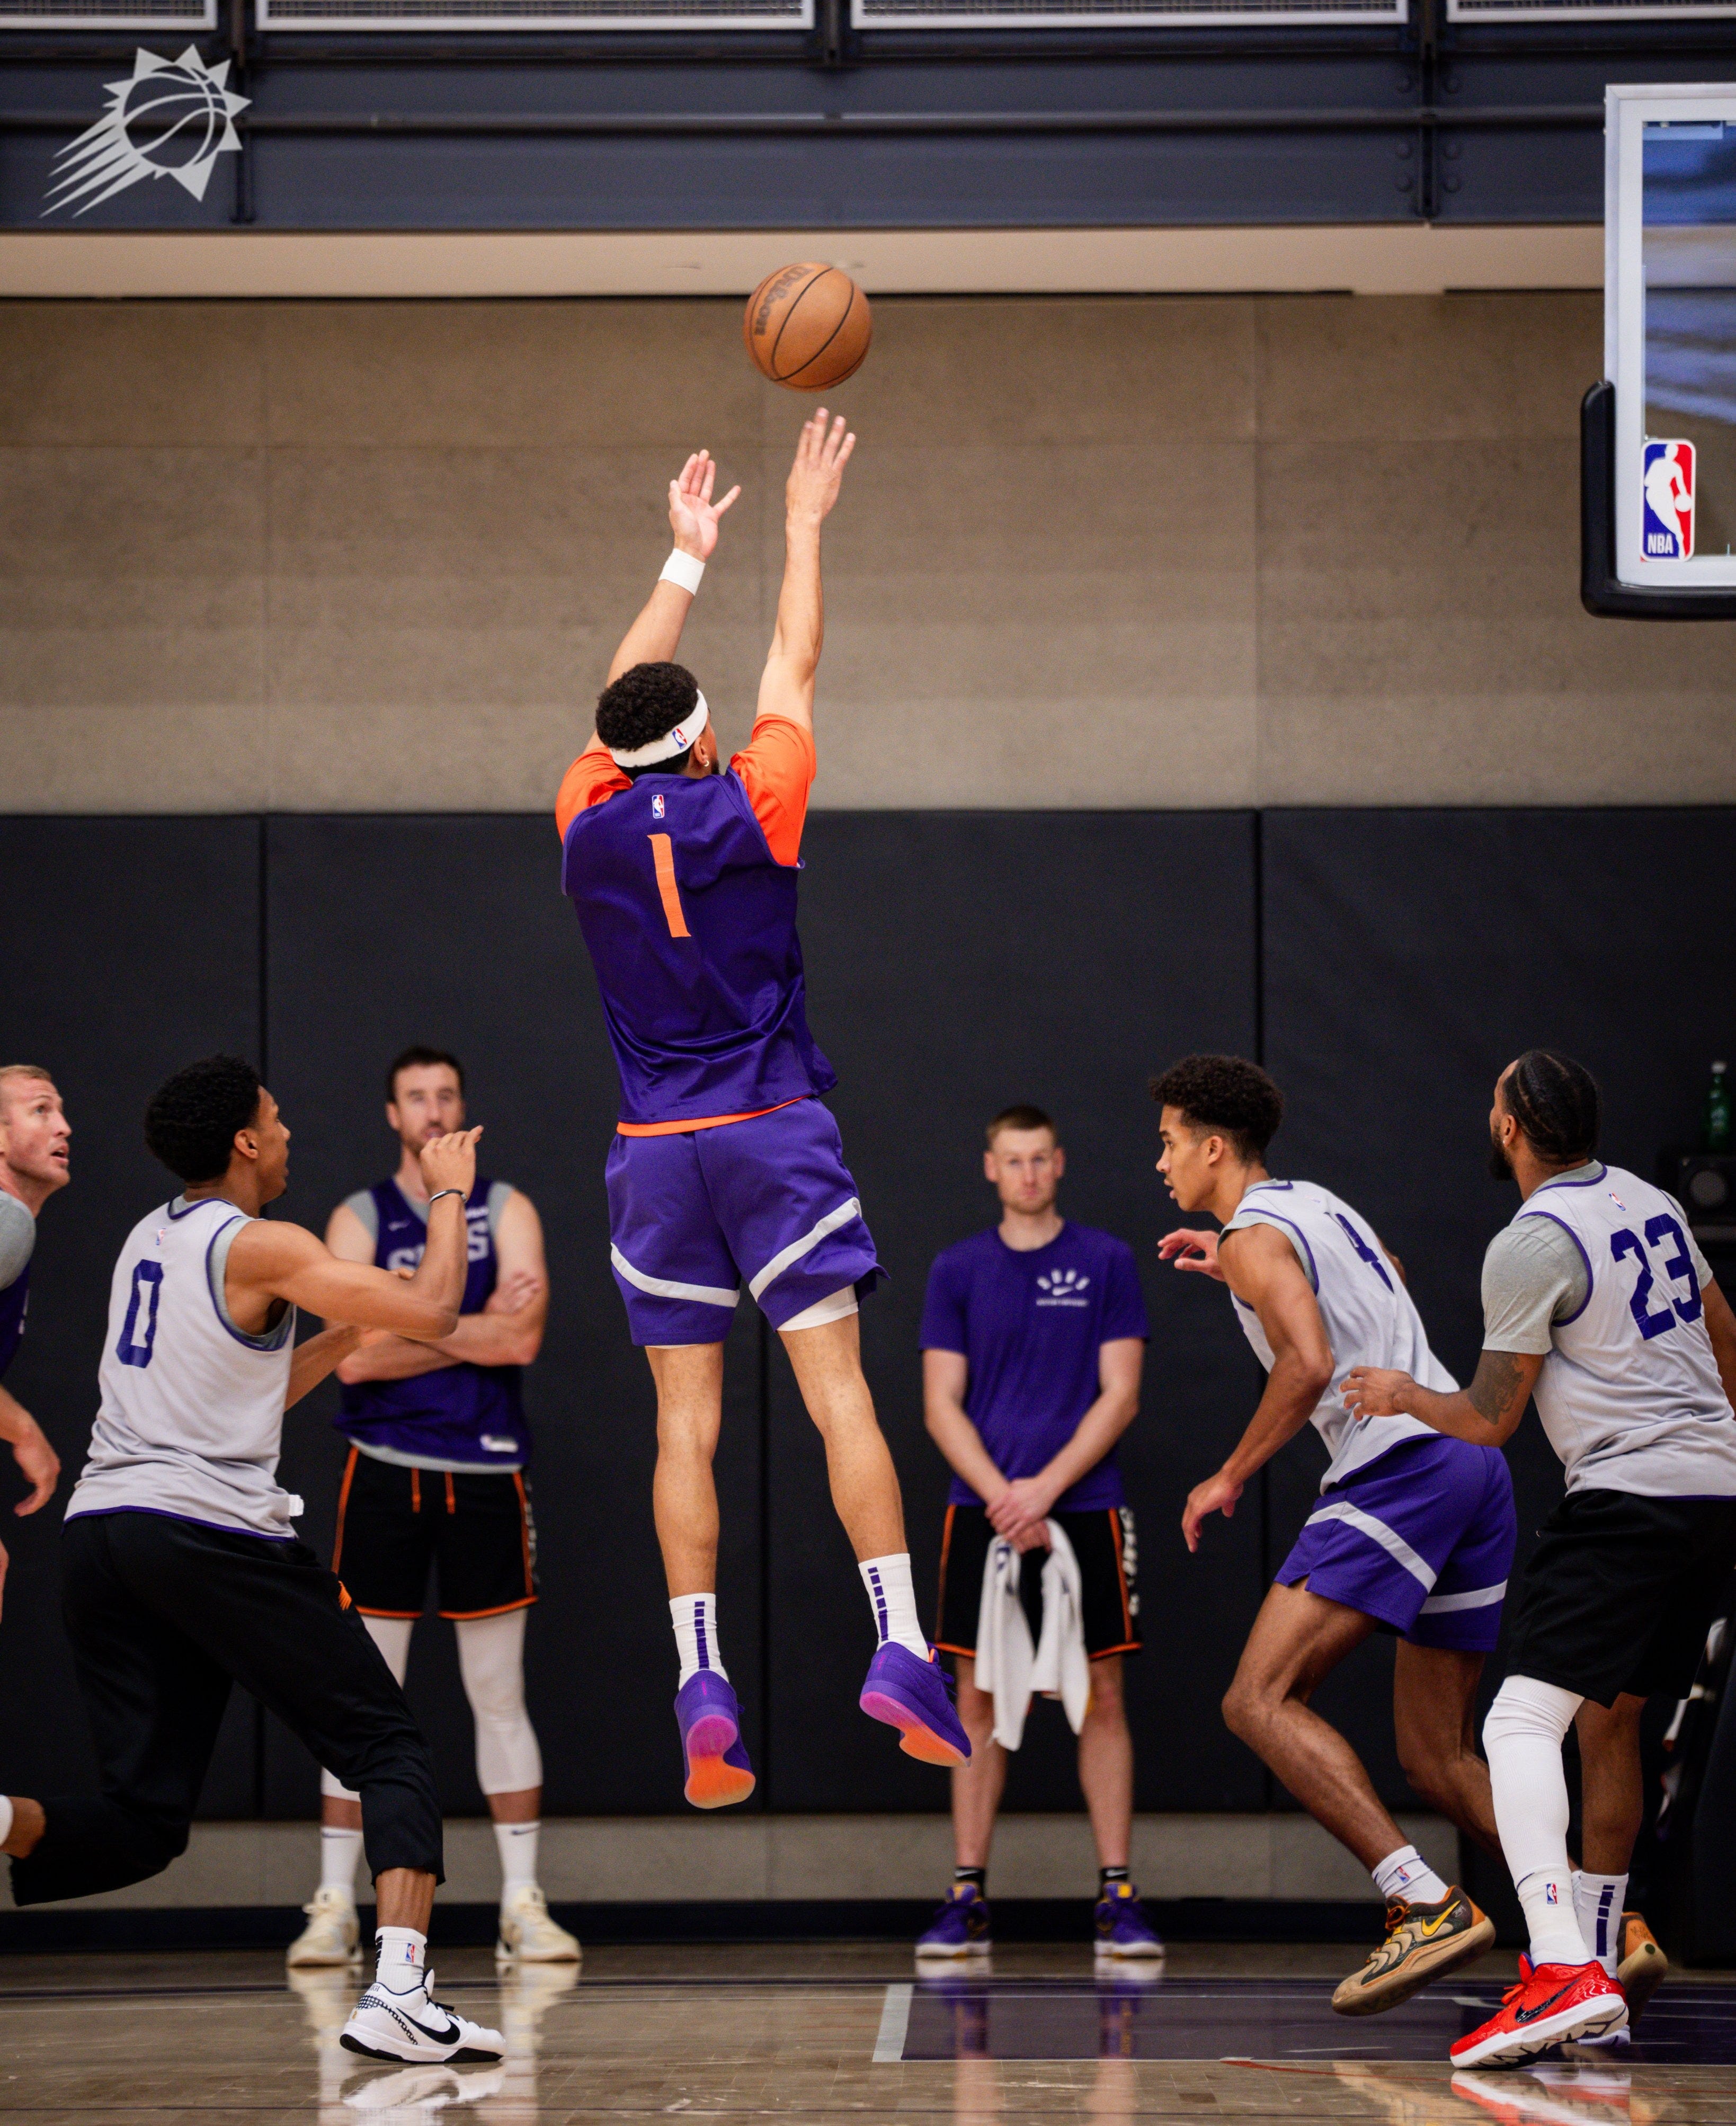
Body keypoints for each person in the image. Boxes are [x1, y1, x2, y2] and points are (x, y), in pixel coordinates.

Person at [554, 417, 969, 1805]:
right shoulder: (760, 798)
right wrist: (795, 525)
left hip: (654, 1154)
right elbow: (792, 657)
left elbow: (621, 696)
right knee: (838, 1389)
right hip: (771, 1125)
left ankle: (697, 1673)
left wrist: (680, 552)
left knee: (685, 1424)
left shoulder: (578, 816)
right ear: (707, 737)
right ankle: (899, 1642)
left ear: (613, 758)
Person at [0, 1054, 503, 2068]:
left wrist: (336, 1335)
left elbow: (242, 1395)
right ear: (243, 1140)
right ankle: (400, 1989)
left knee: (146, 1825)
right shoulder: (266, 1243)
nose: (285, 1137)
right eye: (274, 1121)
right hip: (204, 1532)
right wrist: (449, 1187)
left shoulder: (147, 1239)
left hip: (104, 1537)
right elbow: (442, 1304)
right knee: (389, 1747)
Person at [1344, 1050, 1736, 2068]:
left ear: (1512, 1127)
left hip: (1626, 1497)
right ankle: (1598, 1957)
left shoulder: (1528, 1242)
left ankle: (1559, 1969)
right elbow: (1725, 1332)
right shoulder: (1651, 1200)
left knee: (1518, 1719)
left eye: (1492, 1103)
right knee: (1614, 1719)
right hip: (1713, 1495)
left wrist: (1398, 1393)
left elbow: (1486, 1416)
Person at [1153, 1054, 1512, 2016]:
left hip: (1399, 1467)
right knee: (1438, 1756)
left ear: (1213, 1146)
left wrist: (1227, 1474)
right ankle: (1599, 1925)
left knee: (1256, 1698)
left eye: (1168, 1141)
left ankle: (1420, 1898)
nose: (1160, 1161)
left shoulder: (1256, 1239)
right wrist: (1232, 1263)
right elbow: (1380, 1272)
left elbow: (1309, 1361)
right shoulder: (1313, 1203)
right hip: (1472, 1463)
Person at [287, 1046, 575, 1971]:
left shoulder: (509, 1207)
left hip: (487, 1470)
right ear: (392, 1112)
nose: (435, 1106)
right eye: (417, 1095)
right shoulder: (358, 1215)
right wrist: (467, 1326)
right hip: (383, 1468)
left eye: (448, 1092)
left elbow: (523, 1336)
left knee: (499, 1691)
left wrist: (413, 1323)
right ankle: (335, 1903)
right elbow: (353, 1356)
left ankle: (522, 1903)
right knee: (366, 1693)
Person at [917, 1104, 1160, 1962]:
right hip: (980, 1514)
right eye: (1010, 1160)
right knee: (973, 1699)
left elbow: (1119, 1392)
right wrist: (1002, 1497)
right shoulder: (956, 1268)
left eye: (1038, 1159)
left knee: (1097, 1699)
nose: (1025, 1173)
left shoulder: (1105, 1261)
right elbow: (939, 1402)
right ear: (990, 1167)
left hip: (1084, 1508)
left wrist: (1045, 1490)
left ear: (1059, 1163)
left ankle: (1118, 1895)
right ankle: (966, 1894)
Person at [0, 1065, 67, 1608]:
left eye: (61, 1110)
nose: (64, 1126)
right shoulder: (9, 1223)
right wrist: (23, 1429)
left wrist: (22, 1427)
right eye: (41, 1109)